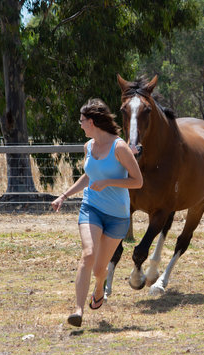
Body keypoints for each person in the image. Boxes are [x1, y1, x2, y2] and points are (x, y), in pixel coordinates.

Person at [51, 98, 143, 327]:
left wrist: (109, 182)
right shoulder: (89, 146)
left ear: (91, 121)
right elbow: (89, 174)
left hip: (117, 217)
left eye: (81, 121)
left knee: (100, 269)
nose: (80, 124)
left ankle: (99, 288)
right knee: (88, 255)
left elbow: (138, 181)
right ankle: (78, 311)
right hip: (91, 208)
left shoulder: (119, 147)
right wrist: (64, 195)